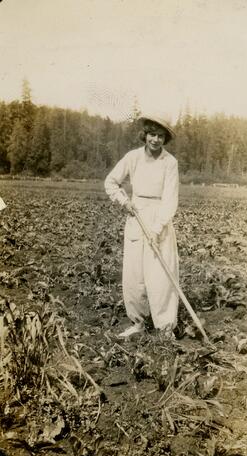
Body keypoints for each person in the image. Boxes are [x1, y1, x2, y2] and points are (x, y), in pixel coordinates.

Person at [104, 115, 179, 338]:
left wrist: (157, 229)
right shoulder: (133, 157)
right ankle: (138, 323)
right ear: (145, 135)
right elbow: (111, 182)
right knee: (134, 275)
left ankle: (165, 328)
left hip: (159, 221)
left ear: (165, 139)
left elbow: (170, 200)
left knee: (160, 276)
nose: (155, 140)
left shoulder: (170, 163)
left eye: (160, 136)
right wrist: (124, 201)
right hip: (136, 217)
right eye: (152, 134)